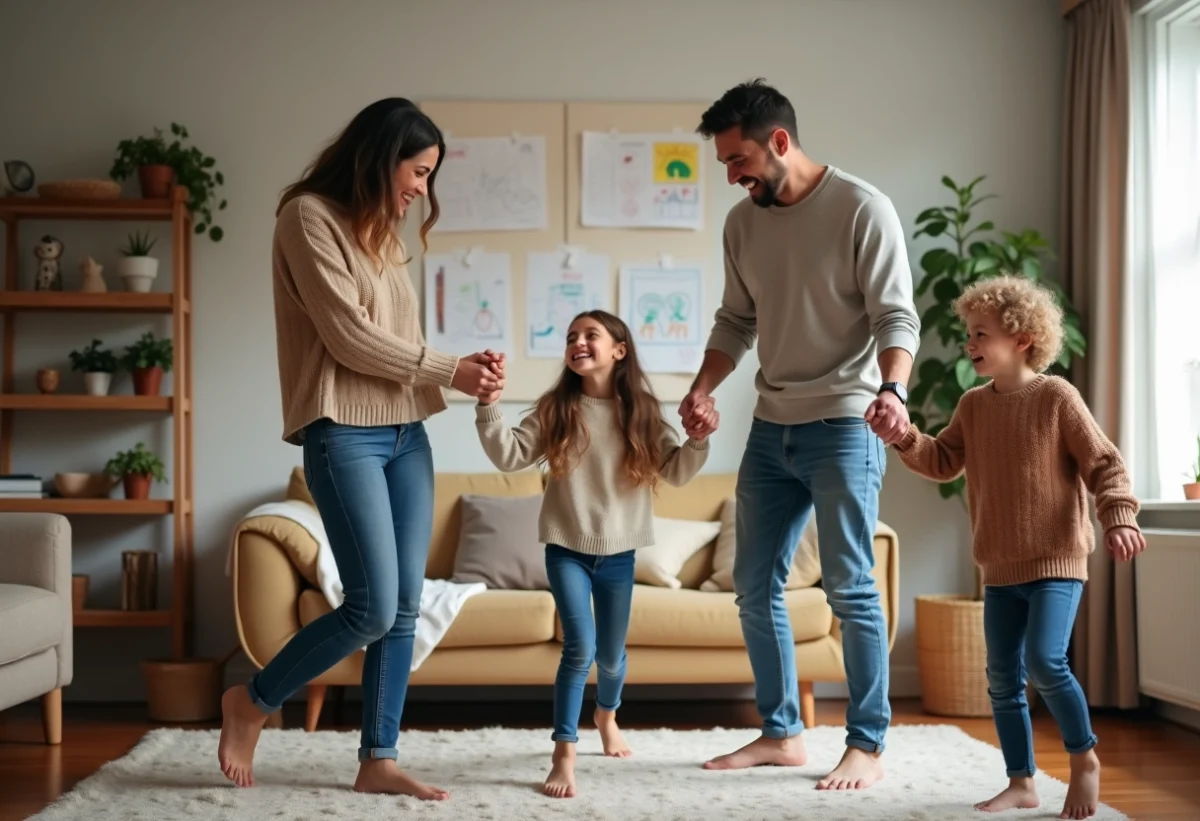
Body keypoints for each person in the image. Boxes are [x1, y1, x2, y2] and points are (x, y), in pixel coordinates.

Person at [217, 97, 505, 798]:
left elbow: (394, 344)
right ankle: (251, 700)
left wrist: (462, 368)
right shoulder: (306, 218)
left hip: (408, 434)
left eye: (430, 176)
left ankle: (378, 756)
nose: (422, 189)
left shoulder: (385, 233)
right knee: (373, 605)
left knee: (403, 608)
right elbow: (348, 337)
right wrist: (450, 370)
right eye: (418, 170)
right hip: (342, 431)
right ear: (382, 155)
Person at [679, 78, 920, 790]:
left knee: (850, 587)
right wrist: (701, 387)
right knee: (753, 585)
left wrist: (893, 389)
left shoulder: (861, 207)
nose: (732, 175)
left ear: (779, 142)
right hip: (769, 425)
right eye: (724, 163)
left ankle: (867, 744)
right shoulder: (742, 223)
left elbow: (895, 317)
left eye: (739, 159)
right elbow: (736, 320)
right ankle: (783, 733)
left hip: (846, 419)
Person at [890, 274, 1145, 819]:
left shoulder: (1056, 397)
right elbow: (942, 461)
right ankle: (1022, 781)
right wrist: (904, 435)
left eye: (981, 334)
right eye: (970, 334)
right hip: (999, 567)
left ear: (1022, 338)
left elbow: (1105, 462)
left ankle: (1084, 760)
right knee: (1002, 678)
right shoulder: (974, 405)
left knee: (1045, 660)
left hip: (1056, 560)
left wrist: (1119, 515)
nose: (970, 344)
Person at [474, 310, 714, 799]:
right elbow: (509, 454)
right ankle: (564, 752)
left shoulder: (642, 411)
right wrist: (489, 406)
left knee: (610, 658)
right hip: (565, 550)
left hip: (620, 555)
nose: (577, 342)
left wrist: (699, 437)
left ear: (619, 350)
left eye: (590, 335)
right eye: (571, 337)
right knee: (578, 649)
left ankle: (607, 713)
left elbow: (676, 471)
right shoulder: (556, 408)